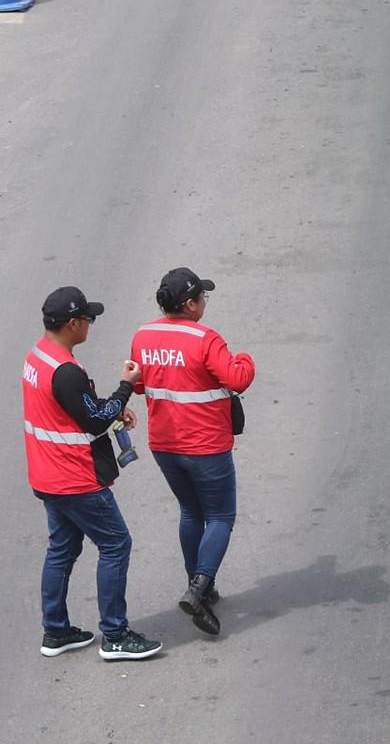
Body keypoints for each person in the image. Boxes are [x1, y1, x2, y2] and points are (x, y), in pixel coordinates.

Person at [23, 286, 163, 660]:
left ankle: (55, 632)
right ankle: (115, 636)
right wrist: (125, 389)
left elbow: (73, 410)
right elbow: (94, 419)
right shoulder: (65, 371)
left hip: (47, 475)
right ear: (72, 323)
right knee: (116, 544)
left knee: (62, 550)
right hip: (75, 478)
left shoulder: (39, 357)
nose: (90, 324)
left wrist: (111, 407)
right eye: (88, 318)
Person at [129, 268, 256, 636]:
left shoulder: (144, 335)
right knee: (220, 517)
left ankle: (199, 583)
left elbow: (138, 386)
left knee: (190, 512)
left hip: (165, 446)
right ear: (190, 304)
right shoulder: (205, 339)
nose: (204, 302)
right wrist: (245, 358)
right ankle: (199, 587)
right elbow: (237, 378)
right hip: (206, 446)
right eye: (202, 297)